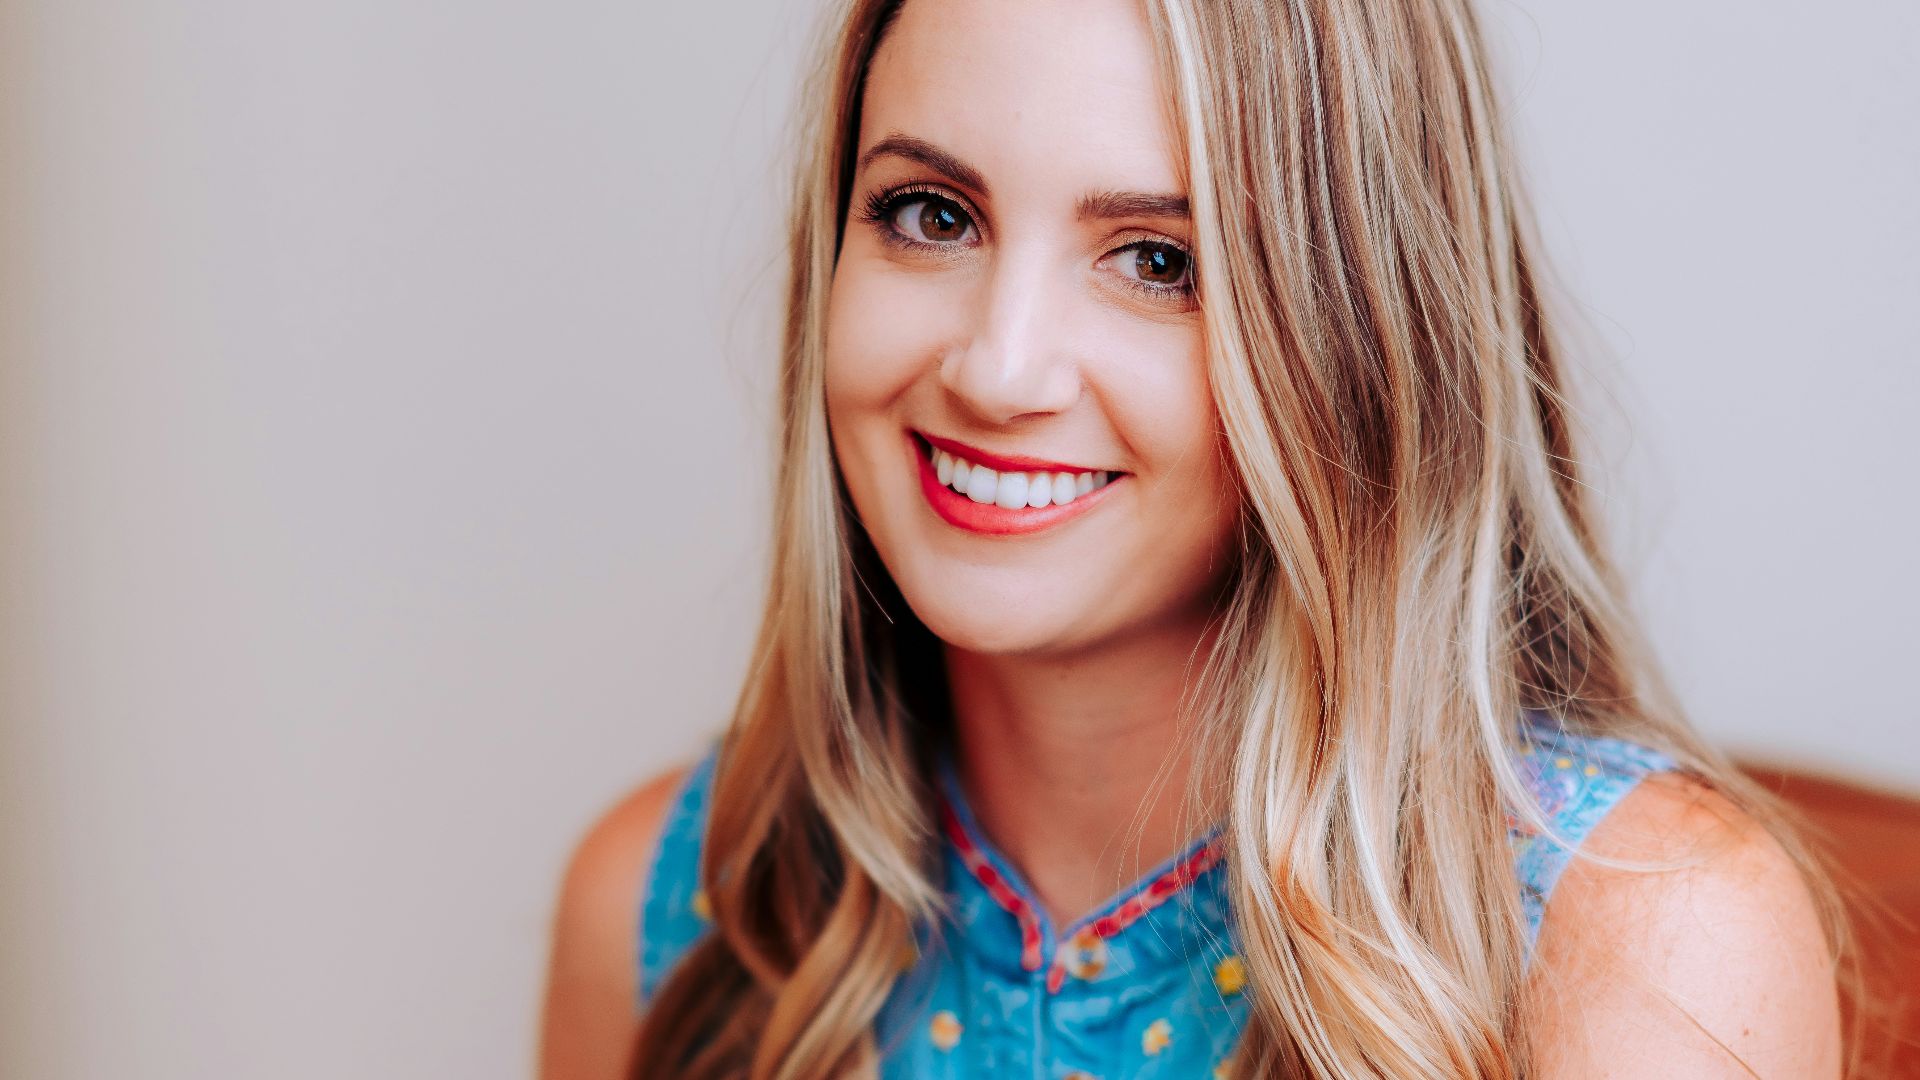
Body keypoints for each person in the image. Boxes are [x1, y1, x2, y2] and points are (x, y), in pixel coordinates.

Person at [540, 0, 1851, 1076]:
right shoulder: (661, 908)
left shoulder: (1650, 940)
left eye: (1160, 260)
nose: (999, 371)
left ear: (1360, 341)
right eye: (933, 215)